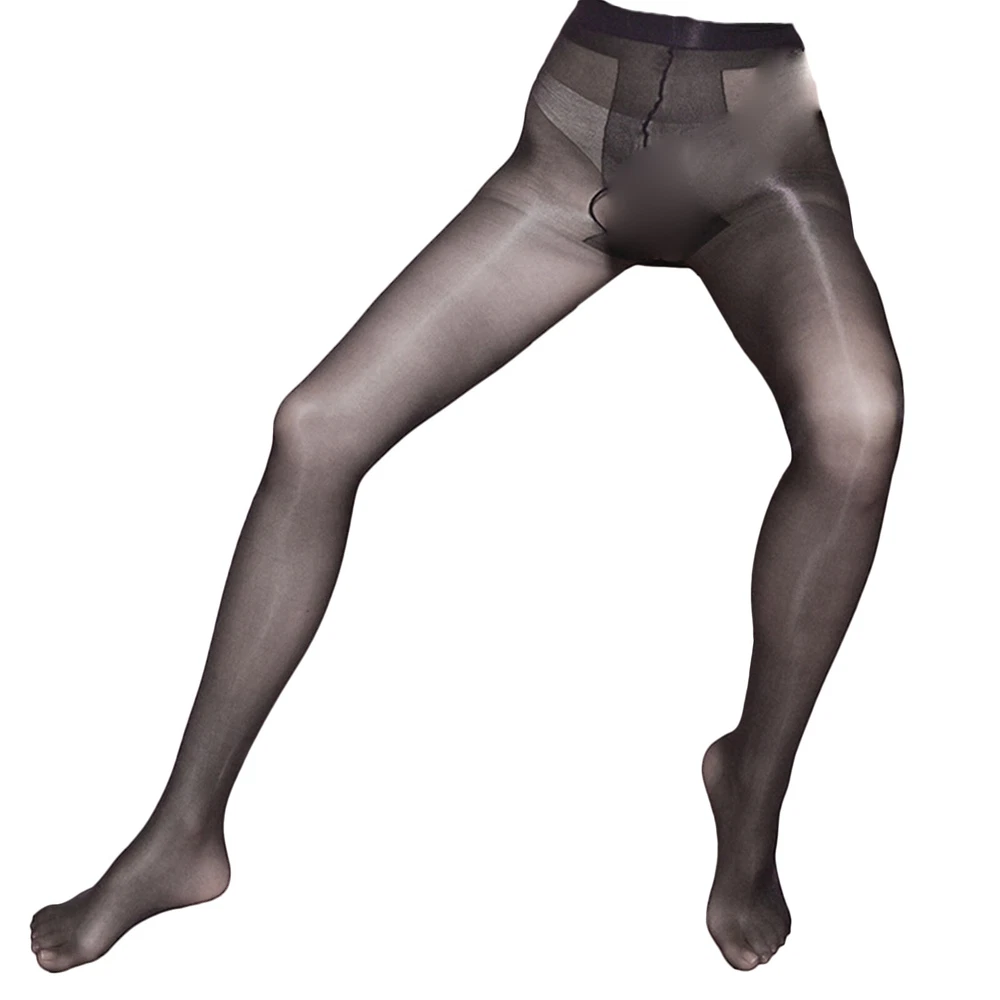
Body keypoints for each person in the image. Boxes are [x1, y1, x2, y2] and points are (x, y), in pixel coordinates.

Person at [29, 0, 904, 974]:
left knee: (858, 426)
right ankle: (182, 834)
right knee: (316, 426)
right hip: (578, 143)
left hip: (759, 162)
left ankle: (752, 788)